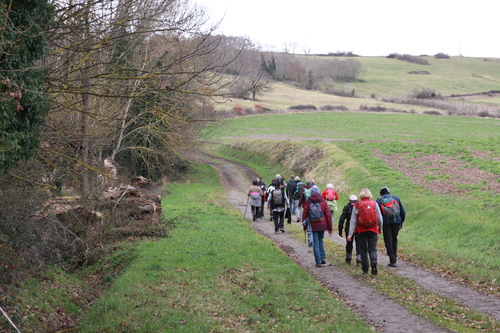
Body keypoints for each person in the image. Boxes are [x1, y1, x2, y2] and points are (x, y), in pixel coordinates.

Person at [347, 188, 383, 275]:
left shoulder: (357, 205)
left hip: (360, 230)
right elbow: (380, 219)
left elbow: (353, 220)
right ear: (369, 195)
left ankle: (365, 269)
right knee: (372, 249)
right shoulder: (375, 203)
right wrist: (380, 228)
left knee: (363, 250)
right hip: (373, 229)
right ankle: (374, 262)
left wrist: (350, 234)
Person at [302, 185, 332, 267]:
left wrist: (304, 226)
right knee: (320, 240)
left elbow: (304, 214)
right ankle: (322, 258)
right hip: (322, 224)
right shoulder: (323, 201)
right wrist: (330, 227)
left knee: (316, 242)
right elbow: (328, 215)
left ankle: (318, 261)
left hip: (313, 224)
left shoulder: (308, 201)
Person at [376, 186, 406, 267]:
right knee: (394, 238)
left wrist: (379, 226)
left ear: (381, 193)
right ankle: (394, 256)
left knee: (388, 240)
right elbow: (403, 212)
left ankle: (392, 260)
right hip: (396, 222)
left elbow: (378, 215)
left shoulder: (379, 200)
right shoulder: (396, 198)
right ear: (389, 192)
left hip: (386, 223)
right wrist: (400, 222)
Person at [338, 195, 360, 265]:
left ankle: (348, 258)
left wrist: (340, 229)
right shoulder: (359, 206)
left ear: (349, 200)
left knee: (349, 243)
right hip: (358, 227)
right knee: (359, 243)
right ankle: (359, 260)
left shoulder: (347, 207)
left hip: (348, 226)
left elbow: (342, 219)